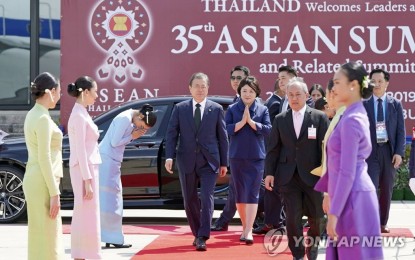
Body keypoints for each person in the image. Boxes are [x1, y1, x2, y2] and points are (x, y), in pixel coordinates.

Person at [315, 61, 384, 259]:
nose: (333, 88)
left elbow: (347, 171)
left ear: (353, 85)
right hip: (351, 195)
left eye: (337, 83)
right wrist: (329, 193)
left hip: (353, 199)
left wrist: (334, 213)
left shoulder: (352, 120)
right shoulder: (352, 114)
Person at [265, 77, 329, 260]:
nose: (294, 98)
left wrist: (327, 177)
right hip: (288, 177)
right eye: (290, 94)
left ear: (306, 95)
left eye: (298, 94)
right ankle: (298, 254)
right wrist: (269, 173)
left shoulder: (319, 117)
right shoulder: (280, 119)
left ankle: (313, 246)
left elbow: (326, 150)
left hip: (313, 177)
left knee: (317, 218)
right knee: (292, 219)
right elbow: (273, 149)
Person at [165, 72, 229, 251]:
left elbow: (223, 137)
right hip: (186, 159)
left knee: (207, 198)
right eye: (197, 86)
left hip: (210, 161)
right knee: (189, 199)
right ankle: (196, 232)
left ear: (208, 88)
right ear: (190, 88)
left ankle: (203, 235)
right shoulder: (180, 108)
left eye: (203, 86)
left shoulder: (216, 109)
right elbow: (171, 134)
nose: (200, 90)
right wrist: (169, 156)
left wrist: (224, 162)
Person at [99, 104, 157, 248]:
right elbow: (114, 142)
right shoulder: (125, 118)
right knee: (111, 201)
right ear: (140, 116)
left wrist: (132, 134)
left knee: (112, 200)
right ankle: (112, 237)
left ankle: (112, 237)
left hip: (110, 160)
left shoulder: (129, 118)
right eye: (142, 126)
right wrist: (133, 136)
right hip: (108, 160)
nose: (141, 129)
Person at [225, 76, 271, 244]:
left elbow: (268, 130)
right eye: (244, 91)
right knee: (240, 193)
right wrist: (241, 123)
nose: (247, 94)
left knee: (252, 193)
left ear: (256, 92)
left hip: (256, 157)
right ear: (239, 92)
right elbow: (226, 129)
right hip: (237, 156)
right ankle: (245, 227)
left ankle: (249, 230)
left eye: (251, 91)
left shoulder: (262, 109)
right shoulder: (232, 109)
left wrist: (251, 123)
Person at [23, 72, 64, 259]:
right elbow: (45, 157)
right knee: (48, 235)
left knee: (40, 234)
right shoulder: (43, 119)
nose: (60, 96)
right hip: (43, 182)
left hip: (35, 178)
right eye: (59, 92)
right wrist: (54, 192)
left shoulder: (34, 114)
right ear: (51, 91)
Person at [363, 68, 406, 233]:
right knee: (371, 188)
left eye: (381, 81)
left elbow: (401, 131)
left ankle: (382, 222)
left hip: (388, 152)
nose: (377, 84)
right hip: (370, 153)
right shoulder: (364, 104)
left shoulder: (395, 104)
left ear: (387, 83)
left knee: (386, 189)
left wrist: (399, 152)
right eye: (374, 81)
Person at [211, 65, 250, 232]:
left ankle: (224, 220)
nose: (236, 81)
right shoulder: (235, 100)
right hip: (236, 152)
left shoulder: (249, 100)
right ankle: (263, 219)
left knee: (240, 188)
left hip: (249, 153)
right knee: (239, 188)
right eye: (233, 78)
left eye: (239, 78)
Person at [67, 76, 102, 259]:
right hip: (84, 169)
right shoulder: (79, 115)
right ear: (86, 92)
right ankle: (87, 254)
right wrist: (87, 180)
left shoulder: (81, 112)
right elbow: (80, 148)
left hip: (87, 167)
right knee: (86, 212)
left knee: (87, 212)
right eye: (95, 92)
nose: (97, 96)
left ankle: (83, 253)